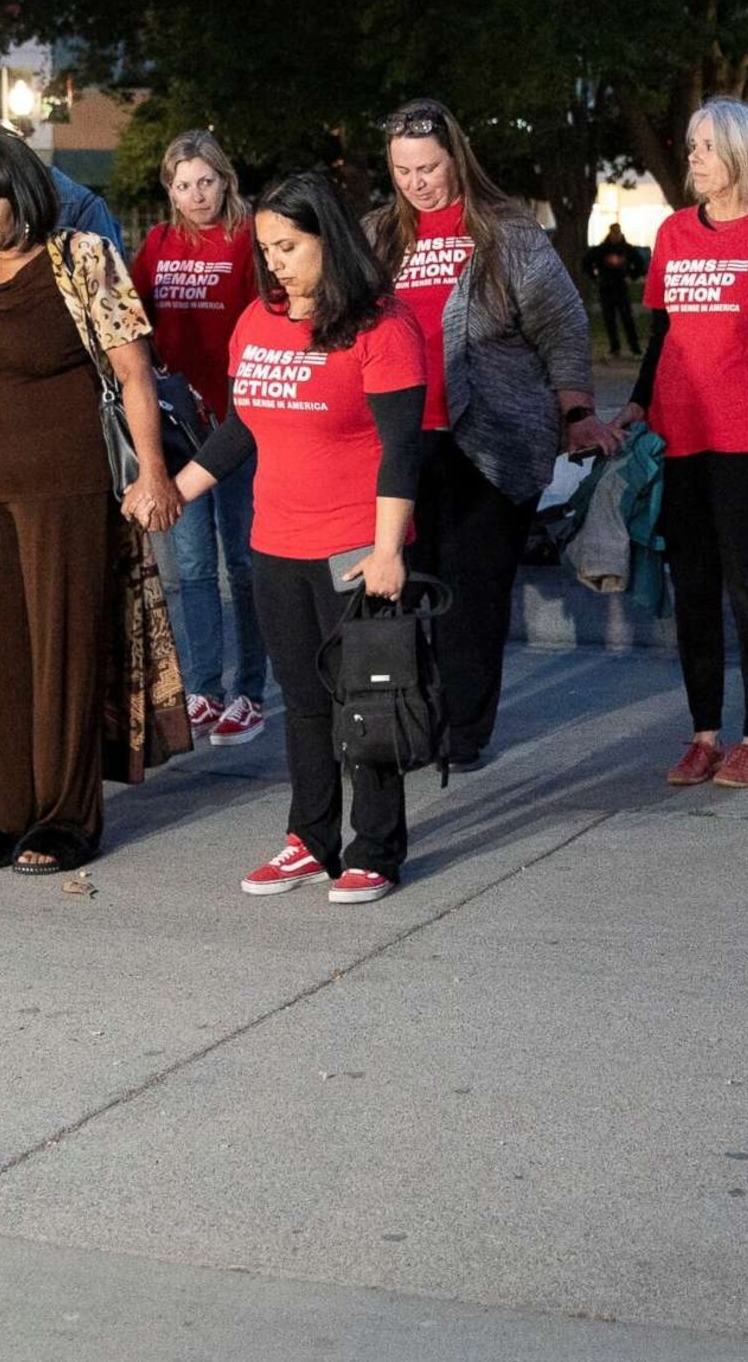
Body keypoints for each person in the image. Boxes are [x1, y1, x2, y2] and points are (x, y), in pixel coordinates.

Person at [153, 172, 424, 903]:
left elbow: (402, 450)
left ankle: (376, 847)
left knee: (363, 701)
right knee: (303, 699)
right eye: (266, 247)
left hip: (355, 549)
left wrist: (390, 550)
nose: (274, 260)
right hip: (276, 542)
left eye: (288, 245)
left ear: (328, 239)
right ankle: (310, 838)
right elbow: (241, 427)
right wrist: (173, 493)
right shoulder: (259, 321)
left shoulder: (383, 328)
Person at [0, 126, 193, 876]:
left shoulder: (83, 257)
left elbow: (135, 372)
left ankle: (67, 818)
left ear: (27, 191)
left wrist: (153, 474)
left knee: (63, 649)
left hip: (67, 487)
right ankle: (4, 813)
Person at [368, 99, 613, 768]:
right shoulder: (378, 238)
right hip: (400, 445)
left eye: (430, 167)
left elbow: (562, 328)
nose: (419, 182)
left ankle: (462, 731)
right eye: (404, 170)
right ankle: (413, 720)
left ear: (458, 159)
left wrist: (576, 411)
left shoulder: (508, 234)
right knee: (407, 586)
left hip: (489, 443)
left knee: (471, 594)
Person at [614, 98, 748, 791]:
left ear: (740, 152)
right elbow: (661, 337)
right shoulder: (675, 233)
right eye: (691, 146)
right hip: (679, 435)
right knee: (695, 590)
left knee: (747, 585)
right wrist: (637, 405)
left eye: (704, 146)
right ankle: (704, 733)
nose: (693, 158)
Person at [127, 129, 269, 746]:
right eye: (183, 186)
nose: (196, 195)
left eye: (205, 182)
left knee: (242, 560)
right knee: (190, 565)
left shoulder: (248, 237)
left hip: (238, 422)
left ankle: (251, 690)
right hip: (180, 428)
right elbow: (130, 320)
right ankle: (205, 688)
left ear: (224, 178)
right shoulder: (158, 243)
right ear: (170, 190)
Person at [588, 222, 646, 357]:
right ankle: (615, 348)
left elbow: (639, 264)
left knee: (627, 319)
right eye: (613, 233)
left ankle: (635, 348)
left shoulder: (626, 249)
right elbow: (587, 262)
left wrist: (632, 276)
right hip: (606, 287)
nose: (615, 236)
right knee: (610, 320)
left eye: (617, 233)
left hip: (621, 287)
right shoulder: (602, 250)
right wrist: (595, 276)